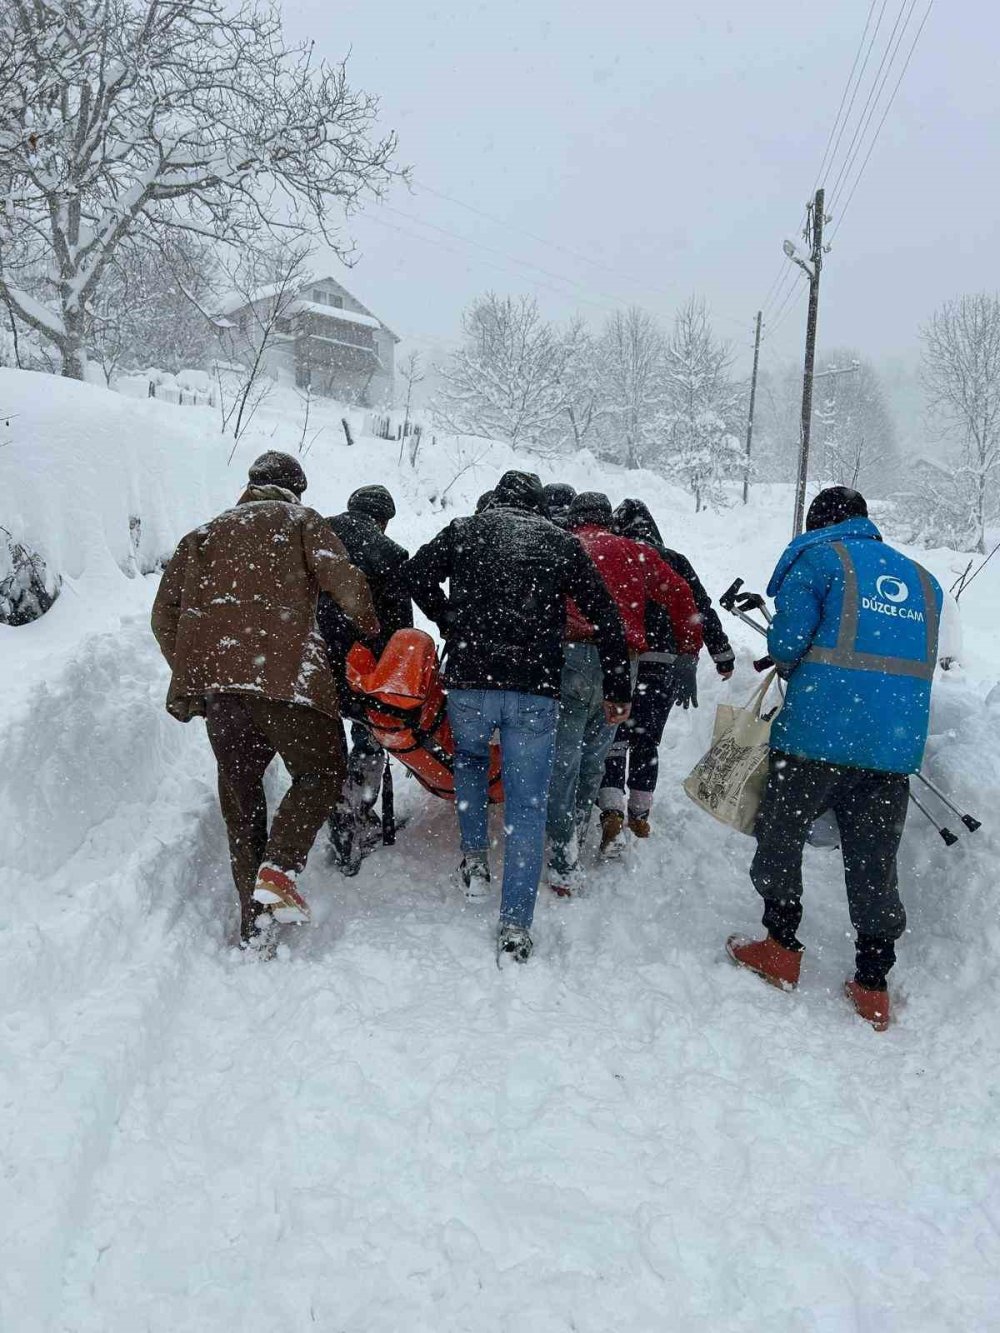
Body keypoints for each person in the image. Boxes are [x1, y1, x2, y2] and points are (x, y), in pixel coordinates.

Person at [726, 486, 943, 1032]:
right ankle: (872, 983)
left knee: (780, 833)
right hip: (893, 746)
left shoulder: (820, 560)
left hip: (816, 736)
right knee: (874, 857)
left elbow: (786, 643)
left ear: (818, 522)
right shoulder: (923, 579)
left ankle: (780, 947)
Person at [151, 451, 379, 950]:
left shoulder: (202, 536)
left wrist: (201, 669)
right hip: (290, 684)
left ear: (251, 485)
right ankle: (280, 867)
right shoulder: (299, 522)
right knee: (321, 772)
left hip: (224, 697)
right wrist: (372, 628)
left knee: (241, 798)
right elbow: (346, 585)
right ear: (295, 490)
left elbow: (163, 617)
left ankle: (254, 923)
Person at [404, 470, 630, 962]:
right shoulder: (559, 543)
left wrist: (449, 618)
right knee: (527, 805)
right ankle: (515, 926)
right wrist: (616, 686)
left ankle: (475, 858)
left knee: (468, 761)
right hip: (535, 687)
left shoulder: (465, 530)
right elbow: (607, 617)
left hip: (470, 677)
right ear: (537, 506)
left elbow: (415, 573)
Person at [546, 492, 704, 893]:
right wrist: (689, 648)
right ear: (608, 521)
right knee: (595, 755)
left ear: (575, 517)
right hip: (622, 665)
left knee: (564, 756)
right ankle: (580, 835)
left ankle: (562, 851)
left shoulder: (564, 547)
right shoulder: (635, 553)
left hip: (570, 658)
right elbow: (682, 596)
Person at [598, 498, 735, 847]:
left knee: (614, 738)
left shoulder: (617, 557)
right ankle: (640, 814)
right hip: (665, 665)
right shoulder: (673, 560)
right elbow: (699, 608)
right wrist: (722, 654)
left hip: (623, 660)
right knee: (646, 739)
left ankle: (611, 806)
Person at [317, 484, 413, 873]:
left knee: (325, 742)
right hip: (362, 667)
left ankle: (333, 807)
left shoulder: (316, 534)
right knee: (368, 741)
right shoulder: (389, 553)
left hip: (312, 661)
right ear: (384, 521)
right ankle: (356, 816)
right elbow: (400, 629)